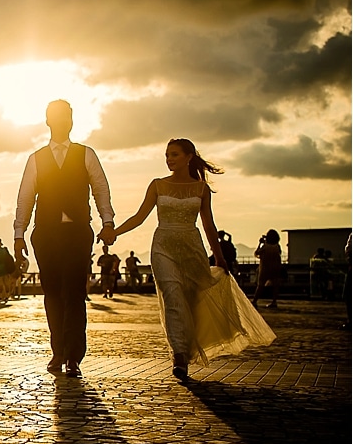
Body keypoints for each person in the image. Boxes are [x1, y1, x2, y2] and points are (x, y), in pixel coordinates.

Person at [110, 138, 275, 380]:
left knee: (191, 302)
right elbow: (139, 217)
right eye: (167, 155)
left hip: (192, 248)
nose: (169, 159)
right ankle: (179, 355)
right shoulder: (157, 185)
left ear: (189, 157)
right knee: (173, 297)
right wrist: (114, 233)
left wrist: (219, 258)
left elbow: (209, 225)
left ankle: (187, 349)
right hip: (162, 247)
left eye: (174, 154)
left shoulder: (201, 189)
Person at [14, 99, 116, 377]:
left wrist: (108, 222)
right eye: (57, 117)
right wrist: (19, 234)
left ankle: (73, 356)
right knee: (53, 294)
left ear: (72, 120)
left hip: (76, 232)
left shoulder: (86, 154)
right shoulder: (36, 159)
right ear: (48, 121)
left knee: (74, 293)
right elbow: (25, 197)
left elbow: (101, 190)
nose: (63, 121)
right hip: (46, 234)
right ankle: (58, 350)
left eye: (67, 116)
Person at [253, 229, 283, 309]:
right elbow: (279, 253)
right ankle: (274, 301)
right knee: (275, 286)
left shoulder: (265, 247)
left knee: (260, 285)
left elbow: (256, 253)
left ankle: (255, 301)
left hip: (265, 268)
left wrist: (260, 243)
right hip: (275, 268)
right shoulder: (277, 246)